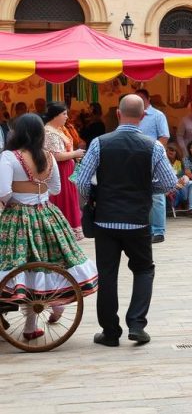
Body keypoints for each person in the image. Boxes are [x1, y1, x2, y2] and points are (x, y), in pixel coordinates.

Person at [75, 94, 178, 347]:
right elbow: (169, 183)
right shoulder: (153, 146)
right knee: (144, 270)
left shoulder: (99, 143)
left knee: (107, 275)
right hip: (138, 221)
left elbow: (81, 181)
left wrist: (94, 199)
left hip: (105, 221)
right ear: (143, 117)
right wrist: (145, 190)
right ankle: (137, 325)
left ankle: (110, 332)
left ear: (118, 114)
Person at [0, 114, 98, 341]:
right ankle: (54, 305)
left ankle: (31, 324)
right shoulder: (48, 157)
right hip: (47, 215)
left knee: (23, 265)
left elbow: (3, 192)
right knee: (52, 260)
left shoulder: (8, 157)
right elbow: (55, 189)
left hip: (17, 218)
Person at [42, 102, 86, 240]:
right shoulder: (49, 131)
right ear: (55, 116)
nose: (67, 117)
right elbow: (55, 155)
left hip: (66, 168)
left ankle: (69, 228)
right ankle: (63, 230)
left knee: (69, 197)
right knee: (63, 197)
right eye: (64, 114)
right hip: (60, 169)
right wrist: (75, 154)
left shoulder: (58, 129)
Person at [135, 89, 171, 242]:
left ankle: (158, 231)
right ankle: (146, 228)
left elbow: (164, 137)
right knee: (141, 194)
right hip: (136, 159)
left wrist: (154, 153)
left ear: (148, 99)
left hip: (153, 157)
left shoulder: (157, 115)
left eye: (141, 99)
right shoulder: (134, 114)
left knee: (156, 195)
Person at [165, 144, 192, 218]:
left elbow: (183, 176)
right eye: (169, 150)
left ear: (176, 152)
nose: (171, 152)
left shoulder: (179, 162)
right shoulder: (164, 162)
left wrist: (185, 178)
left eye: (173, 150)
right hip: (172, 189)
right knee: (183, 182)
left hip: (182, 187)